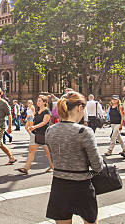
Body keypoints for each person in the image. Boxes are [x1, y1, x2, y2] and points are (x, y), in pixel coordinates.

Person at [45, 92, 104, 224]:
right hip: (81, 185)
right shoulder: (84, 132)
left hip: (59, 185)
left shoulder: (50, 130)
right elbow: (97, 166)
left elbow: (55, 159)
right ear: (79, 108)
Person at [17, 95, 53, 174]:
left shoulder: (47, 111)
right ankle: (26, 168)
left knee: (47, 151)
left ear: (45, 102)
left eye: (40, 101)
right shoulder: (38, 110)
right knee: (31, 150)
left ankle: (52, 167)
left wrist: (34, 126)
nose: (38, 102)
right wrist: (32, 125)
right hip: (35, 133)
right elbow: (35, 120)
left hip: (44, 134)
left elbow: (44, 122)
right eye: (38, 101)